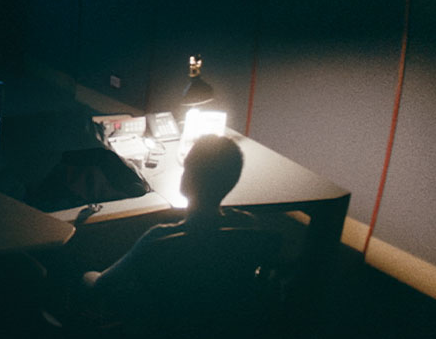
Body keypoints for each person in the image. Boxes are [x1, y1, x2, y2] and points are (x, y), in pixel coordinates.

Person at [78, 134, 284, 326]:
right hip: (221, 322)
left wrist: (88, 275)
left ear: (186, 179)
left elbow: (102, 284)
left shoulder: (158, 239)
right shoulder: (248, 226)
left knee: (85, 273)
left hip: (164, 325)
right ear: (232, 181)